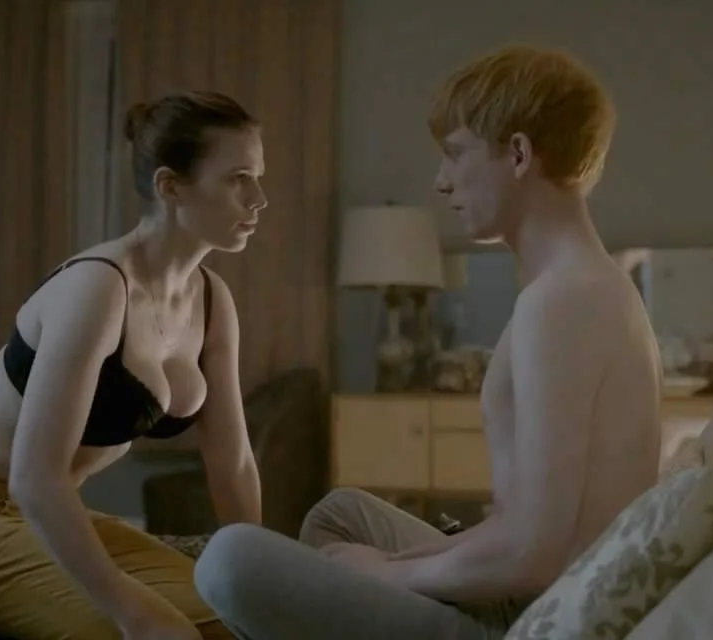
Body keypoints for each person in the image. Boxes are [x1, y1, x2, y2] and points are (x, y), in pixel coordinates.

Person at [193, 45, 663, 639]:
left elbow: (534, 553)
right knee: (340, 515)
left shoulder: (565, 301)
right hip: (523, 587)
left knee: (229, 558)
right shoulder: (577, 286)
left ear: (518, 154)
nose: (442, 181)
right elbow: (527, 524)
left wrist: (386, 575)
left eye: (455, 153)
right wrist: (391, 562)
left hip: (531, 619)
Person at [0, 90, 267, 640]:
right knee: (155, 632)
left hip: (29, 520)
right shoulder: (98, 287)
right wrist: (135, 614)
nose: (259, 199)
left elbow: (234, 464)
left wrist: (257, 583)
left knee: (239, 623)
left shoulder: (212, 300)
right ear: (170, 186)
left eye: (258, 178)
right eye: (238, 179)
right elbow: (35, 478)